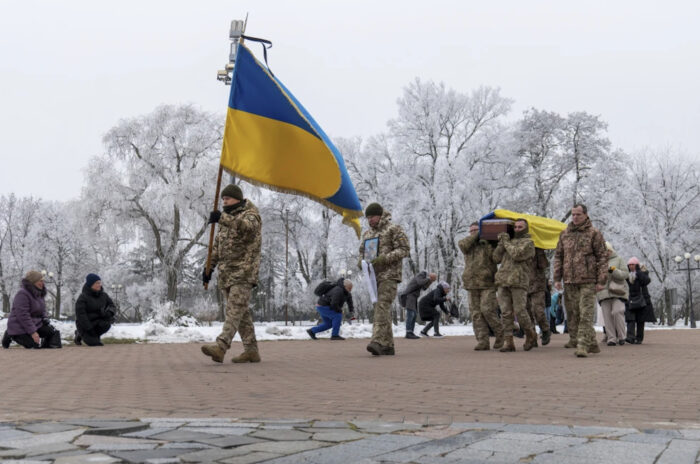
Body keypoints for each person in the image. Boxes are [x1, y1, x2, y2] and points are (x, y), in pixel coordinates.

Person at [201, 184, 262, 363]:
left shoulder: (251, 215)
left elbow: (247, 228)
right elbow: (218, 248)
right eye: (223, 200)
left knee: (234, 309)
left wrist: (223, 218)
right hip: (227, 274)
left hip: (244, 272)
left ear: (238, 198)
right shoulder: (225, 221)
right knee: (241, 313)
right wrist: (208, 269)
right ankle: (251, 351)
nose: (224, 202)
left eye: (227, 198)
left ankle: (221, 347)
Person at [553, 204, 607, 358]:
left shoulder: (594, 233)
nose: (575, 217)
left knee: (586, 313)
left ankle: (582, 344)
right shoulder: (565, 234)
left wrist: (601, 280)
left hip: (588, 280)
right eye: (573, 214)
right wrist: (557, 278)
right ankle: (593, 344)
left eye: (578, 214)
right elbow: (558, 257)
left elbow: (602, 257)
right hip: (569, 280)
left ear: (585, 215)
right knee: (574, 313)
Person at [360, 203, 410, 356]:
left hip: (389, 275)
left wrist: (384, 259)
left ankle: (377, 341)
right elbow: (362, 252)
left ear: (380, 215)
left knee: (382, 305)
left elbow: (404, 249)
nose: (370, 220)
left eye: (372, 216)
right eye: (368, 217)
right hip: (373, 278)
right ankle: (388, 346)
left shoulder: (394, 229)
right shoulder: (367, 234)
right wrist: (360, 262)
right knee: (380, 308)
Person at [458, 221, 504, 351]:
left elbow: (496, 259)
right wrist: (477, 235)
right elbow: (462, 246)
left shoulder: (488, 243)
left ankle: (501, 334)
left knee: (487, 310)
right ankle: (482, 340)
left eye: (476, 230)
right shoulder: (467, 243)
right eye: (471, 231)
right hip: (471, 283)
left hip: (487, 283)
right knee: (476, 314)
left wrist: (487, 241)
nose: (473, 233)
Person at [493, 218, 537, 352]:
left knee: (520, 310)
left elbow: (517, 254)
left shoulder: (528, 243)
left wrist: (506, 242)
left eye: (520, 227)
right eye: (516, 227)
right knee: (505, 313)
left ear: (526, 228)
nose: (517, 229)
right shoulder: (508, 242)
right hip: (503, 280)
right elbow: (495, 258)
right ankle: (509, 342)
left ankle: (530, 335)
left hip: (518, 281)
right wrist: (501, 243)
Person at [2, 271, 61, 349]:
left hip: (35, 324)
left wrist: (44, 318)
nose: (42, 283)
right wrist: (33, 332)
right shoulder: (22, 294)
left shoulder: (39, 293)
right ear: (33, 281)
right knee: (33, 346)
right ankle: (10, 334)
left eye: (43, 281)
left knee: (54, 334)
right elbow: (23, 316)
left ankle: (47, 348)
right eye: (40, 281)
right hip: (19, 326)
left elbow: (42, 310)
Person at [596, 243, 629, 346]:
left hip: (617, 291)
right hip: (603, 292)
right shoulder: (598, 262)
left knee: (617, 311)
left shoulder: (619, 259)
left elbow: (625, 274)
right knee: (607, 316)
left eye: (606, 250)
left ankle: (622, 336)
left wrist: (614, 270)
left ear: (610, 250)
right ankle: (611, 338)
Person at [74, 273, 117, 346]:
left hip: (98, 322)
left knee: (106, 325)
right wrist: (89, 329)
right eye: (97, 283)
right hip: (85, 325)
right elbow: (81, 315)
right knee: (95, 344)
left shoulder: (104, 295)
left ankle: (95, 336)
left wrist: (109, 313)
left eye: (100, 282)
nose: (99, 285)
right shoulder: (83, 298)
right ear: (91, 284)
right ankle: (80, 333)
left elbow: (112, 306)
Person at [526, 247, 552, 346]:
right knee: (528, 314)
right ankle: (532, 337)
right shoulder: (520, 248)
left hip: (538, 285)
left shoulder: (538, 250)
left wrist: (539, 251)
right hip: (524, 285)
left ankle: (545, 330)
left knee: (538, 311)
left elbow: (544, 264)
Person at [399, 271, 436, 339]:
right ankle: (408, 333)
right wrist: (429, 279)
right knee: (411, 314)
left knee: (414, 315)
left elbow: (424, 288)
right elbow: (420, 282)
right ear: (429, 275)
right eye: (433, 277)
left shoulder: (424, 278)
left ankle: (411, 332)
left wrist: (430, 281)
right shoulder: (420, 275)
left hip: (414, 297)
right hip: (409, 296)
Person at [625, 257, 653, 344]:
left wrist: (638, 272)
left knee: (640, 320)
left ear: (637, 265)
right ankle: (630, 337)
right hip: (630, 299)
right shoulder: (627, 274)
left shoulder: (643, 273)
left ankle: (639, 338)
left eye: (632, 264)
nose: (631, 266)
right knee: (630, 318)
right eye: (629, 265)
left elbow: (646, 281)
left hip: (641, 299)